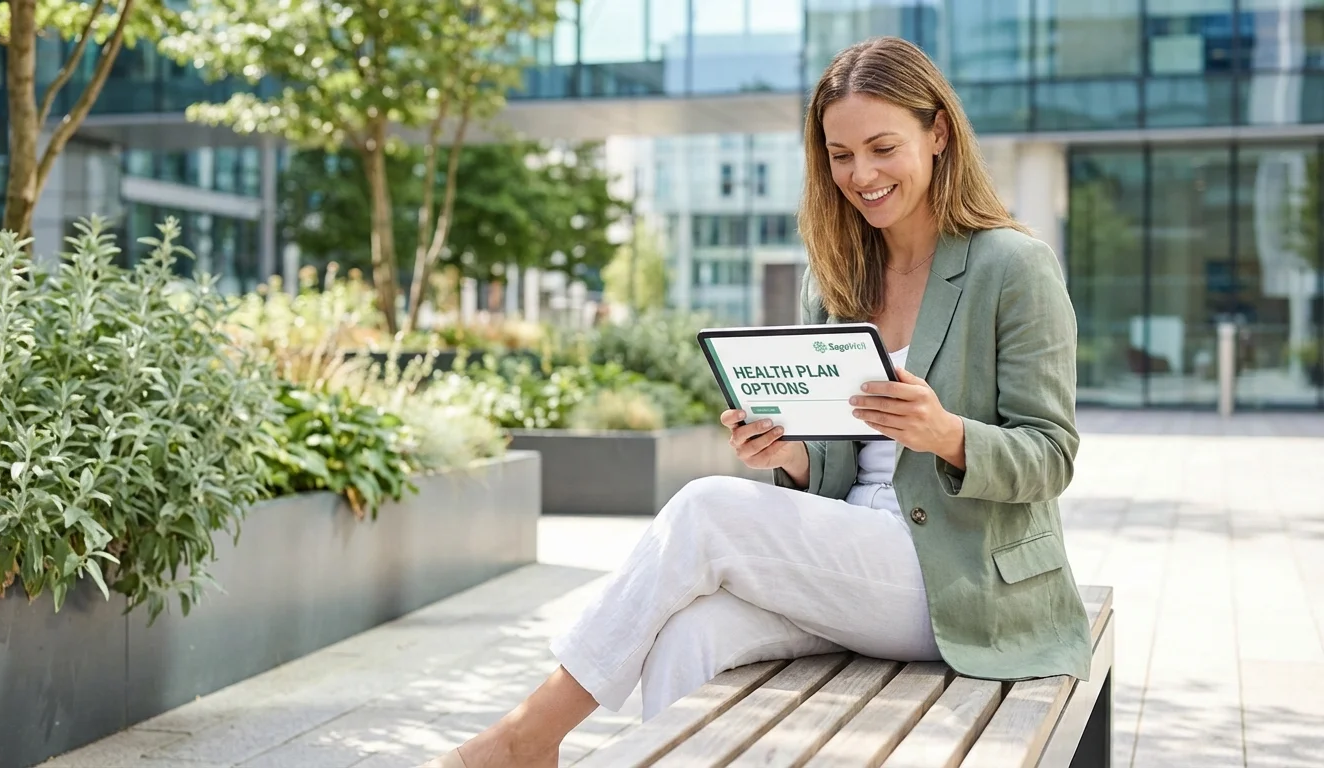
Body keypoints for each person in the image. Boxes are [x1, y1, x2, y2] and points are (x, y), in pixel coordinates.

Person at [422, 35, 1092, 768]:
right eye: (840, 156)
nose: (861, 174)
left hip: (956, 577)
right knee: (690, 634)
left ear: (937, 134)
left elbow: (1051, 454)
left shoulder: (1013, 266)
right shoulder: (836, 279)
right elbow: (844, 468)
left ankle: (529, 736)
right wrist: (794, 459)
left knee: (708, 510)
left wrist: (947, 434)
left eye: (881, 147)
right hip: (854, 560)